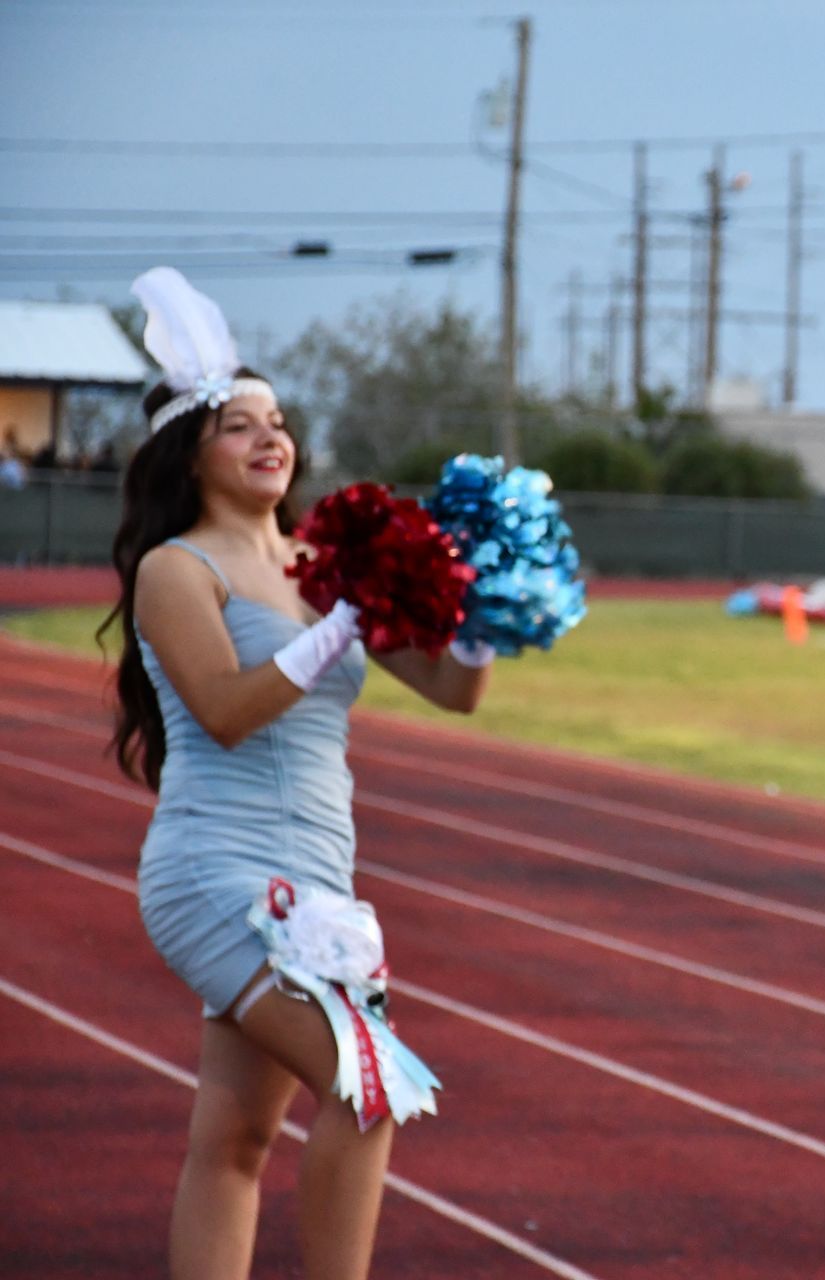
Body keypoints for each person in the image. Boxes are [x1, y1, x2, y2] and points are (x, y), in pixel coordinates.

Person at [102, 268, 494, 1280]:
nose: (271, 437)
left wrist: (485, 608)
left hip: (318, 881)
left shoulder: (326, 561)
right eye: (239, 424)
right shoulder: (177, 569)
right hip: (216, 872)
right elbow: (228, 711)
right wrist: (336, 628)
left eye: (277, 420)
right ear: (189, 451)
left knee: (233, 1140)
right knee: (371, 1085)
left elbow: (453, 690)